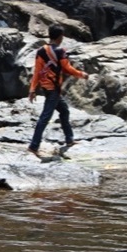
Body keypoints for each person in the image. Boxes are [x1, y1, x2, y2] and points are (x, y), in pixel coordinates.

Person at [27, 24, 89, 155]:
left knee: (64, 111)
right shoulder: (60, 51)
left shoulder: (41, 51)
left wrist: (32, 89)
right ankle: (33, 146)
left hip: (46, 88)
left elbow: (37, 71)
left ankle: (69, 139)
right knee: (45, 117)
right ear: (60, 37)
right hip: (54, 89)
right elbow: (67, 68)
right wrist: (81, 74)